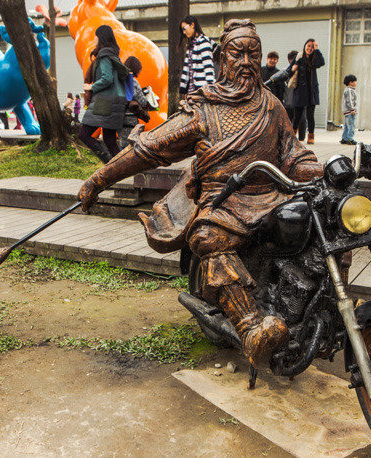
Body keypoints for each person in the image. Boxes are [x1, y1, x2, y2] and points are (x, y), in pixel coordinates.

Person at [78, 19, 323, 368]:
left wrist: (312, 168)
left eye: (253, 54)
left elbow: (292, 152)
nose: (246, 63)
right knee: (207, 237)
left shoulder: (272, 106)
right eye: (237, 54)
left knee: (332, 219)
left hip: (274, 195)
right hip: (224, 203)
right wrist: (98, 179)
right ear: (222, 59)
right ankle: (250, 325)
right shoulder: (203, 109)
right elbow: (147, 149)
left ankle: (324, 301)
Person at [79, 24, 129, 163]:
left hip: (105, 100)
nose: (95, 40)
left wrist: (91, 87)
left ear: (101, 38)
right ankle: (122, 167)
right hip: (117, 100)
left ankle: (108, 163)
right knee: (110, 140)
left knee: (84, 134)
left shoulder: (104, 55)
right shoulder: (114, 55)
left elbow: (107, 79)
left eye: (96, 38)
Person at [290, 39, 324, 145]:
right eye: (308, 46)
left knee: (310, 116)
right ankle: (292, 136)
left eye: (312, 47)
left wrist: (317, 50)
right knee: (297, 116)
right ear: (305, 46)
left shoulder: (315, 59)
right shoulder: (299, 57)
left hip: (311, 91)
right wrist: (292, 69)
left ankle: (311, 136)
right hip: (300, 91)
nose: (310, 48)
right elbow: (289, 69)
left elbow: (321, 62)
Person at [179, 15, 217, 97]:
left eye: (184, 28)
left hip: (203, 90)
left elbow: (208, 66)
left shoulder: (203, 42)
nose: (184, 32)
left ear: (192, 25)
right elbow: (188, 71)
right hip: (193, 90)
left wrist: (210, 88)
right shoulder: (192, 45)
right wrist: (184, 89)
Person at [118, 56, 151, 150]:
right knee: (129, 147)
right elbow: (142, 101)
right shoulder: (132, 81)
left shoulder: (119, 79)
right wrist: (148, 99)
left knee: (123, 144)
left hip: (119, 116)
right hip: (130, 117)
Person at [282, 50, 306, 141]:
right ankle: (289, 138)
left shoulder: (304, 71)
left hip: (300, 101)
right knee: (288, 121)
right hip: (288, 101)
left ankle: (302, 139)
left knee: (302, 120)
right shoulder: (286, 72)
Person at [341, 74, 358, 145]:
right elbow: (349, 100)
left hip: (347, 111)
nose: (356, 83)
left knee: (346, 125)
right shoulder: (349, 90)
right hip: (350, 112)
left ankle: (344, 138)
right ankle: (350, 138)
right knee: (351, 125)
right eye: (355, 81)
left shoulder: (348, 90)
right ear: (351, 82)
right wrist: (352, 109)